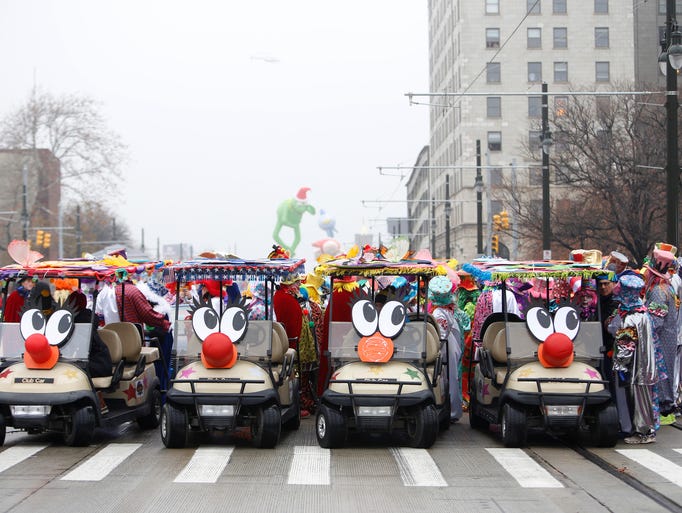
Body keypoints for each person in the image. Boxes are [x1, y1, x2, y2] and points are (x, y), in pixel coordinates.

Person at [608, 273, 659, 444]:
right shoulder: (643, 313)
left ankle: (643, 432)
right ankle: (647, 430)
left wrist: (620, 365)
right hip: (647, 366)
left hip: (636, 368)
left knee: (638, 401)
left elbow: (625, 346)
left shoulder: (629, 318)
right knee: (645, 400)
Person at [644, 248, 680, 425]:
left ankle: (663, 411)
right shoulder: (667, 288)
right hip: (668, 338)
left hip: (660, 342)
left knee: (661, 375)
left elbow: (655, 323)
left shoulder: (659, 291)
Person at [273, 273, 317, 416]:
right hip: (293, 343)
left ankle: (303, 401)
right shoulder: (285, 298)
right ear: (289, 284)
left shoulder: (286, 297)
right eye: (296, 283)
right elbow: (290, 324)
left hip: (297, 342)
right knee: (298, 374)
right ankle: (300, 403)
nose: (299, 285)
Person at [428, 275, 464, 422]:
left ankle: (450, 411)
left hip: (446, 348)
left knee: (448, 378)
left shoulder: (439, 313)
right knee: (452, 377)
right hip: (452, 345)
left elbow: (441, 336)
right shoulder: (449, 309)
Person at [67, 290, 113, 378]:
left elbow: (77, 348)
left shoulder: (81, 322)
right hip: (97, 362)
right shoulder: (83, 318)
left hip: (97, 364)